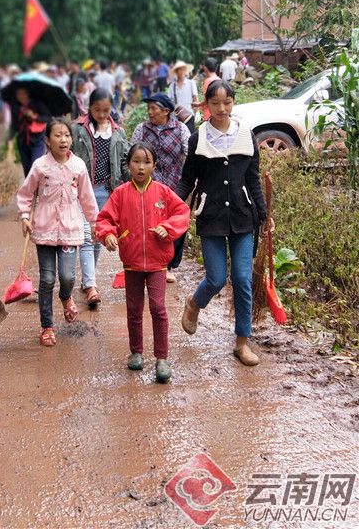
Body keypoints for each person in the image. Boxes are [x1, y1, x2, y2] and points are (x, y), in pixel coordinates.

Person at [175, 79, 273, 367]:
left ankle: (242, 342)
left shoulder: (246, 135)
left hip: (244, 217)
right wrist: (173, 203)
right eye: (215, 103)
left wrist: (265, 216)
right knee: (217, 278)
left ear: (233, 102)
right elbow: (187, 178)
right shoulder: (198, 138)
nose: (221, 108)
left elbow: (253, 178)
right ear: (206, 104)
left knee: (242, 279)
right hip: (211, 215)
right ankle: (194, 305)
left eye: (227, 102)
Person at [96, 142, 190, 383]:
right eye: (136, 161)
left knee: (158, 308)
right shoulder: (120, 193)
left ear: (154, 165)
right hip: (132, 263)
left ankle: (162, 358)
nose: (141, 167)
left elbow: (182, 213)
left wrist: (167, 228)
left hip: (159, 263)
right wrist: (107, 234)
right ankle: (136, 352)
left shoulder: (163, 192)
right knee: (134, 309)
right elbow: (105, 218)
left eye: (146, 162)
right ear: (128, 164)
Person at [16, 118, 98, 347]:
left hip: (71, 229)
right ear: (47, 140)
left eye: (67, 135)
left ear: (71, 139)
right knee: (47, 279)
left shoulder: (78, 166)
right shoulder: (40, 166)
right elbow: (25, 194)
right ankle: (47, 326)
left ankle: (65, 297)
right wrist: (24, 216)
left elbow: (87, 197)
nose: (63, 140)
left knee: (68, 277)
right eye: (57, 136)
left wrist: (94, 222)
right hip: (44, 229)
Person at [71, 88, 129, 307]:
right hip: (81, 191)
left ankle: (89, 280)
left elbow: (124, 162)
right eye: (97, 110)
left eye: (106, 110)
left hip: (107, 191)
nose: (102, 114)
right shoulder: (76, 130)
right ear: (89, 107)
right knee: (87, 236)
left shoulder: (118, 132)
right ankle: (91, 285)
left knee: (99, 236)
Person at [130, 92, 190, 282]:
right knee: (150, 224)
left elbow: (190, 154)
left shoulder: (180, 129)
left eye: (153, 108)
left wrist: (190, 180)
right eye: (148, 108)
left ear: (166, 111)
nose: (149, 112)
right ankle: (153, 264)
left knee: (177, 223)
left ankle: (169, 265)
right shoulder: (142, 130)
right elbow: (131, 154)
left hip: (176, 186)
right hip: (148, 186)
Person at [7, 84, 53, 176]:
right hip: (22, 141)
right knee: (27, 170)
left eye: (23, 94)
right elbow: (14, 125)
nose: (21, 97)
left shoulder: (38, 104)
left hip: (38, 140)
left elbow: (48, 118)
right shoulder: (16, 107)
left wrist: (35, 116)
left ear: (28, 93)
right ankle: (30, 190)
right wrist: (10, 139)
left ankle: (38, 188)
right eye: (18, 94)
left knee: (35, 166)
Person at [167, 60, 198, 134]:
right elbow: (168, 100)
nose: (181, 72)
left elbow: (195, 98)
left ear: (185, 71)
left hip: (188, 116)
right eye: (179, 70)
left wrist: (197, 112)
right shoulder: (173, 86)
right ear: (176, 72)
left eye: (183, 70)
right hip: (177, 117)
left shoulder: (191, 83)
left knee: (189, 138)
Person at [192, 57, 220, 121]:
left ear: (205, 68)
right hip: (217, 113)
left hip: (209, 114)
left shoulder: (208, 81)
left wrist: (198, 108)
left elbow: (206, 100)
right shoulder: (219, 80)